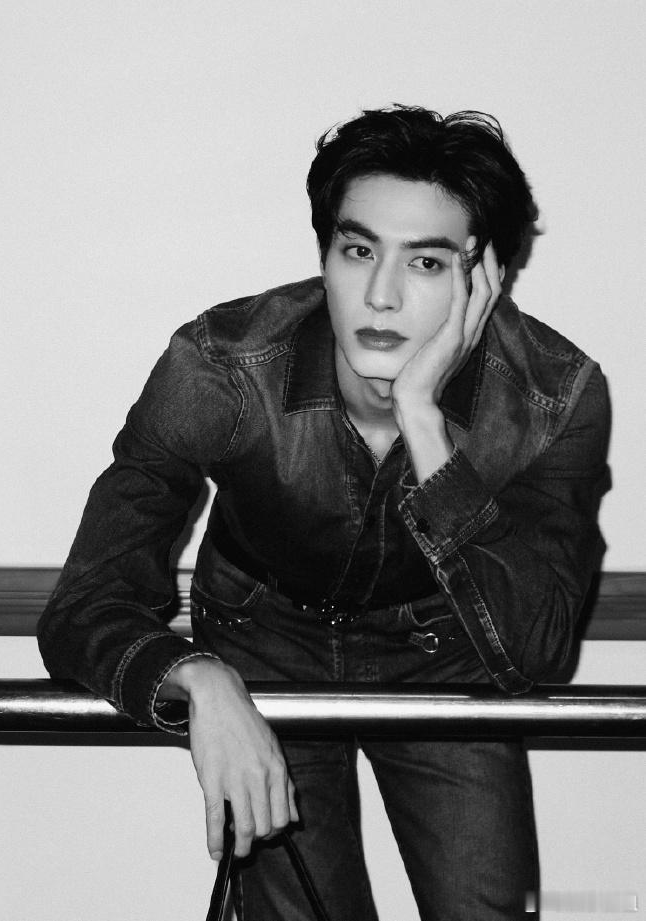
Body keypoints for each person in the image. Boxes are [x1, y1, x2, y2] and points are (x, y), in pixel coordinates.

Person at [38, 105, 609, 920]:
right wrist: (194, 675)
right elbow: (84, 602)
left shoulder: (554, 397)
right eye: (358, 250)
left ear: (484, 276)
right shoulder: (224, 369)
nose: (380, 295)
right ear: (325, 255)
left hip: (444, 649)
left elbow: (536, 651)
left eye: (426, 262)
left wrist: (424, 422)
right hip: (261, 637)